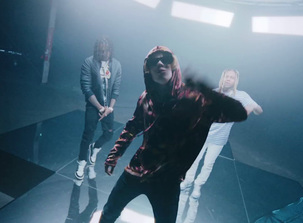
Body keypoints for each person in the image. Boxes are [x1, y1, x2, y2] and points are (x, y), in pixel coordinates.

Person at [99, 46, 252, 223]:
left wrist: (204, 90)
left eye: (165, 58)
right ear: (148, 69)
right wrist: (114, 155)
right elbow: (133, 126)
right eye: (153, 61)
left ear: (173, 65)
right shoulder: (146, 98)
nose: (160, 63)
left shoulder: (195, 98)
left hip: (167, 181)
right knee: (109, 213)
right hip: (136, 171)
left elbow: (238, 113)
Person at [177, 69, 263, 223]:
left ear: (236, 80)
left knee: (208, 164)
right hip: (202, 135)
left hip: (219, 139)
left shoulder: (241, 95)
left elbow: (258, 109)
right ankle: (187, 183)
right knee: (193, 160)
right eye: (226, 76)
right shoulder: (214, 93)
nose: (228, 79)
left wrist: (250, 109)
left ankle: (197, 187)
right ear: (222, 78)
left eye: (231, 77)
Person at [75, 36, 122, 180]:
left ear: (110, 51)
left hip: (108, 108)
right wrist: (100, 108)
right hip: (93, 105)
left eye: (107, 51)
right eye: (101, 51)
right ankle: (81, 163)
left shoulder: (116, 65)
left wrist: (109, 108)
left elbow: (116, 89)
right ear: (97, 50)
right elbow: (86, 88)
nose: (104, 53)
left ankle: (94, 149)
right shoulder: (88, 63)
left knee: (109, 134)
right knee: (88, 134)